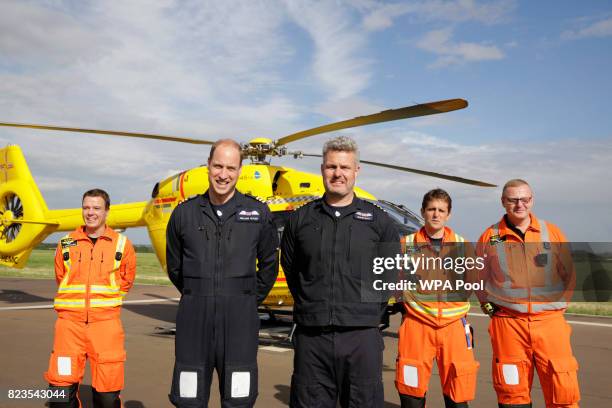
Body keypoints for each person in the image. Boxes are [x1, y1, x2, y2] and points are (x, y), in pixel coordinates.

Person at [281, 135, 400, 408]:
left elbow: (389, 276)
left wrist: (363, 313)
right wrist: (313, 305)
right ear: (322, 169)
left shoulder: (379, 222)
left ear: (356, 170)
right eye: (332, 167)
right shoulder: (301, 219)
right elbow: (292, 269)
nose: (338, 174)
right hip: (313, 338)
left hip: (362, 336)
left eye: (344, 167)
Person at [166, 139, 279, 408]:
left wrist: (247, 300)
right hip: (194, 321)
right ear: (208, 165)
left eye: (230, 167)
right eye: (218, 166)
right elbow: (175, 267)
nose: (223, 174)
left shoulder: (258, 213)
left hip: (240, 322)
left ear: (240, 170)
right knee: (189, 399)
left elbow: (269, 265)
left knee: (239, 400)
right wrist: (197, 295)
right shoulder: (184, 214)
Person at [477, 179, 579, 408]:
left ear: (532, 200)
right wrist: (491, 309)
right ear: (503, 201)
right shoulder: (489, 236)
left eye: (525, 199)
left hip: (549, 324)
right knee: (512, 394)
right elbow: (479, 280)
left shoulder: (551, 232)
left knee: (563, 389)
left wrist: (559, 306)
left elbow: (569, 274)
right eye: (513, 200)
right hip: (508, 325)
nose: (519, 204)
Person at [44, 189, 136, 408]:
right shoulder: (66, 243)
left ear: (106, 212)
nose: (90, 213)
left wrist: (102, 304)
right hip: (69, 327)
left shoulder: (122, 245)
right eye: (86, 207)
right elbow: (62, 278)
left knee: (107, 397)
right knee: (60, 395)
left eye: (96, 208)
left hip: (105, 327)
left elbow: (126, 281)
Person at [395, 189, 479, 408]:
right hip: (417, 326)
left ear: (448, 214)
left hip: (454, 328)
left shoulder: (463, 245)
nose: (436, 214)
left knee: (458, 394)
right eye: (431, 209)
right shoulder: (406, 245)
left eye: (441, 210)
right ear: (422, 211)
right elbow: (395, 281)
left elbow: (473, 281)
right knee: (411, 392)